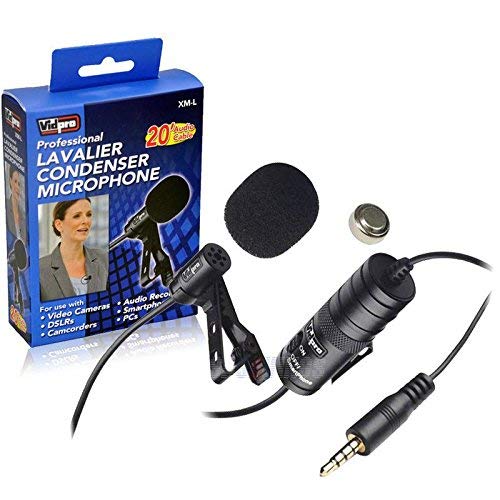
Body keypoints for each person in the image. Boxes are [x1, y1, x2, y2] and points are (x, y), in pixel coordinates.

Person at [39, 198, 108, 301]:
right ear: (59, 225)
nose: (86, 221)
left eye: (88, 215)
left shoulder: (105, 259)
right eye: (77, 216)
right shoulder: (40, 269)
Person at [6, 165, 27, 242]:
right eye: (15, 182)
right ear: (10, 181)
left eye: (20, 183)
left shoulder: (24, 214)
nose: (18, 187)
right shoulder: (5, 206)